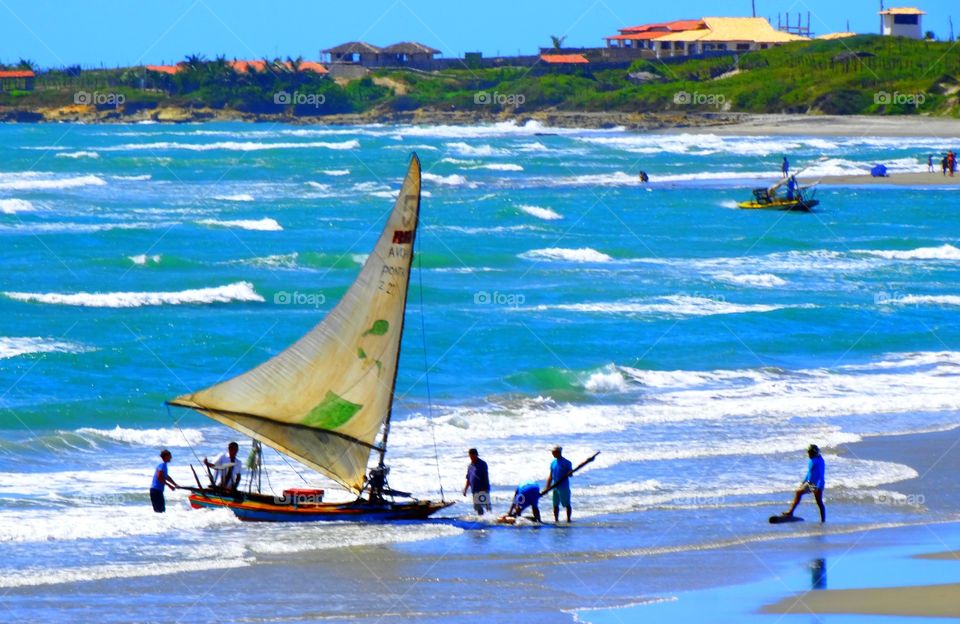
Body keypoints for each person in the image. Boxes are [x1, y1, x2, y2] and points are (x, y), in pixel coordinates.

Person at [782, 444, 826, 523]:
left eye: (810, 453)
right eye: (808, 452)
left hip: (815, 484)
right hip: (813, 483)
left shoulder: (818, 461)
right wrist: (804, 481)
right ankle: (823, 520)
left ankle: (790, 512)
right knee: (819, 502)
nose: (808, 454)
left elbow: (820, 475)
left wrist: (817, 487)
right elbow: (809, 473)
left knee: (799, 493)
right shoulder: (813, 459)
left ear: (814, 452)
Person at [545, 445, 574, 523]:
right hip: (555, 487)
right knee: (555, 504)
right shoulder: (553, 463)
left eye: (553, 452)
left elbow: (570, 475)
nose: (552, 453)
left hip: (563, 487)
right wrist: (547, 486)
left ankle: (568, 519)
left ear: (558, 452)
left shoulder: (567, 463)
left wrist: (570, 473)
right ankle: (556, 520)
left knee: (566, 504)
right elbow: (551, 475)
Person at [462, 448, 492, 515]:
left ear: (476, 455)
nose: (471, 458)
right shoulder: (470, 466)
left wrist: (486, 488)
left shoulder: (482, 464)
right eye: (470, 456)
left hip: (483, 489)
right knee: (478, 508)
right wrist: (465, 489)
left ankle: (491, 520)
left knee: (487, 508)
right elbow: (468, 478)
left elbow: (485, 477)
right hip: (474, 490)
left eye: (473, 456)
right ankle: (481, 521)